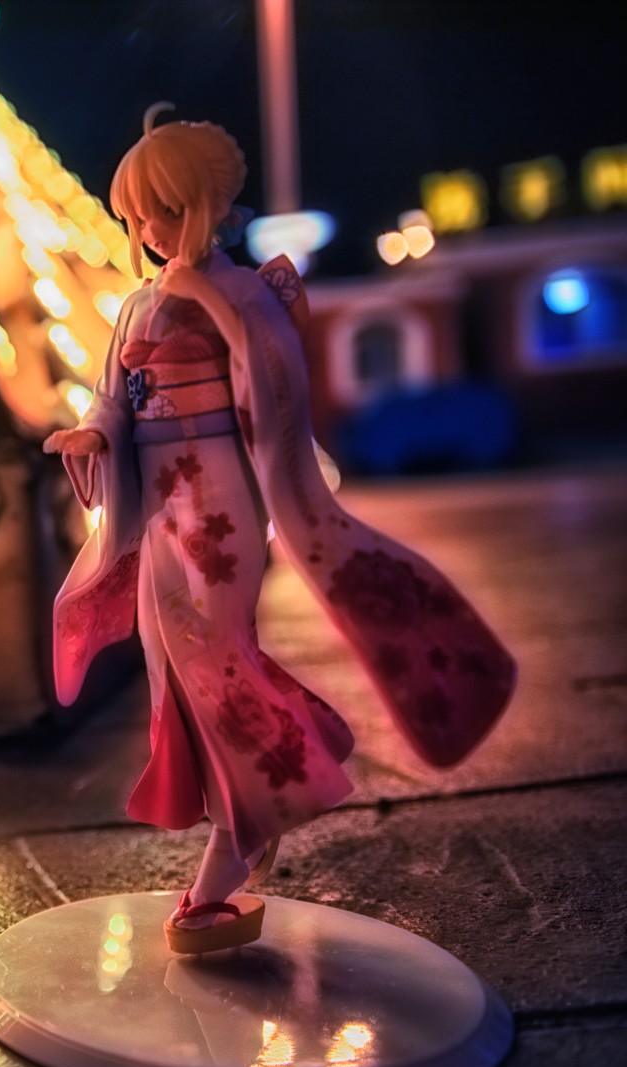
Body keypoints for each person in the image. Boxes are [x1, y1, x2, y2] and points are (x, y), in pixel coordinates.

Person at [44, 105, 516, 955]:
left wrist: (217, 308)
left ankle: (239, 836)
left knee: (215, 660)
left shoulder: (240, 292)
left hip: (218, 497)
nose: (149, 231)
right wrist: (93, 435)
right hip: (155, 498)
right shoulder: (137, 304)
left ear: (206, 207)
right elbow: (114, 397)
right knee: (169, 662)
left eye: (162, 211)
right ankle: (273, 781)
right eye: (137, 218)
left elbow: (274, 385)